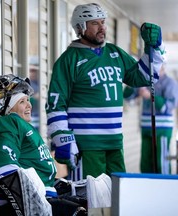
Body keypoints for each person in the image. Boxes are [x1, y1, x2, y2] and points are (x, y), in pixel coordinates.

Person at [46, 3, 166, 180]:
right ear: (81, 27)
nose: (102, 28)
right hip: (86, 145)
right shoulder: (68, 60)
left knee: (118, 198)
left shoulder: (114, 52)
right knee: (90, 200)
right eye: (95, 23)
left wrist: (154, 48)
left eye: (103, 22)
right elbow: (56, 103)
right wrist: (62, 136)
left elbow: (142, 77)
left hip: (115, 143)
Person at [0, 74, 86, 216]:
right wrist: (35, 207)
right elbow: (1, 167)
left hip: (45, 199)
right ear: (5, 107)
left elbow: (36, 173)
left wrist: (63, 187)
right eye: (21, 102)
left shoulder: (22, 127)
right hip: (29, 205)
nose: (29, 105)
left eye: (28, 100)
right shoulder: (9, 122)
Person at [124, 63, 178, 174]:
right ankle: (147, 185)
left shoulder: (169, 83)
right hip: (146, 126)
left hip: (162, 128)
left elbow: (168, 106)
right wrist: (130, 82)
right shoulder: (145, 81)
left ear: (163, 66)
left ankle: (164, 185)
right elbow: (127, 96)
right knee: (145, 161)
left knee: (161, 160)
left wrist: (150, 96)